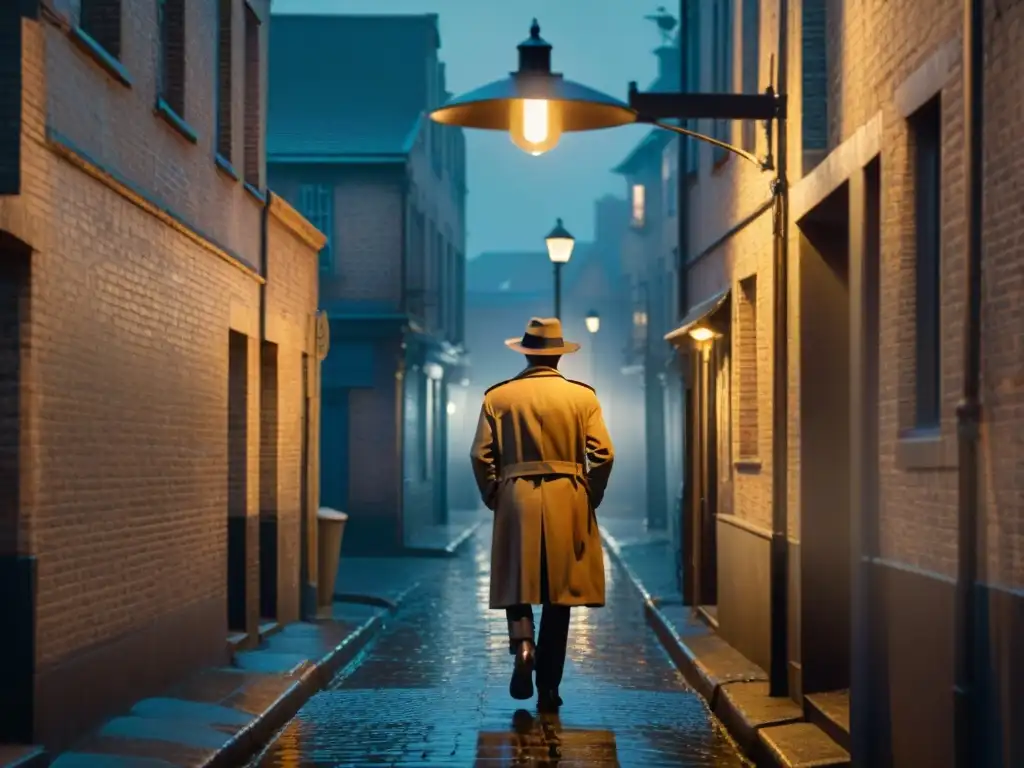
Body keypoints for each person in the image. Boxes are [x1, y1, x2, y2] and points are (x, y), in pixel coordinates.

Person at [470, 317, 614, 711]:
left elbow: (480, 455)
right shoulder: (583, 398)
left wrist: (493, 490)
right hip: (568, 496)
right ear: (558, 356)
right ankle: (548, 686)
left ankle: (523, 645)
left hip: (516, 495)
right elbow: (604, 454)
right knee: (559, 594)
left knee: (517, 581)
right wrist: (590, 494)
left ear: (527, 352)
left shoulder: (498, 398)